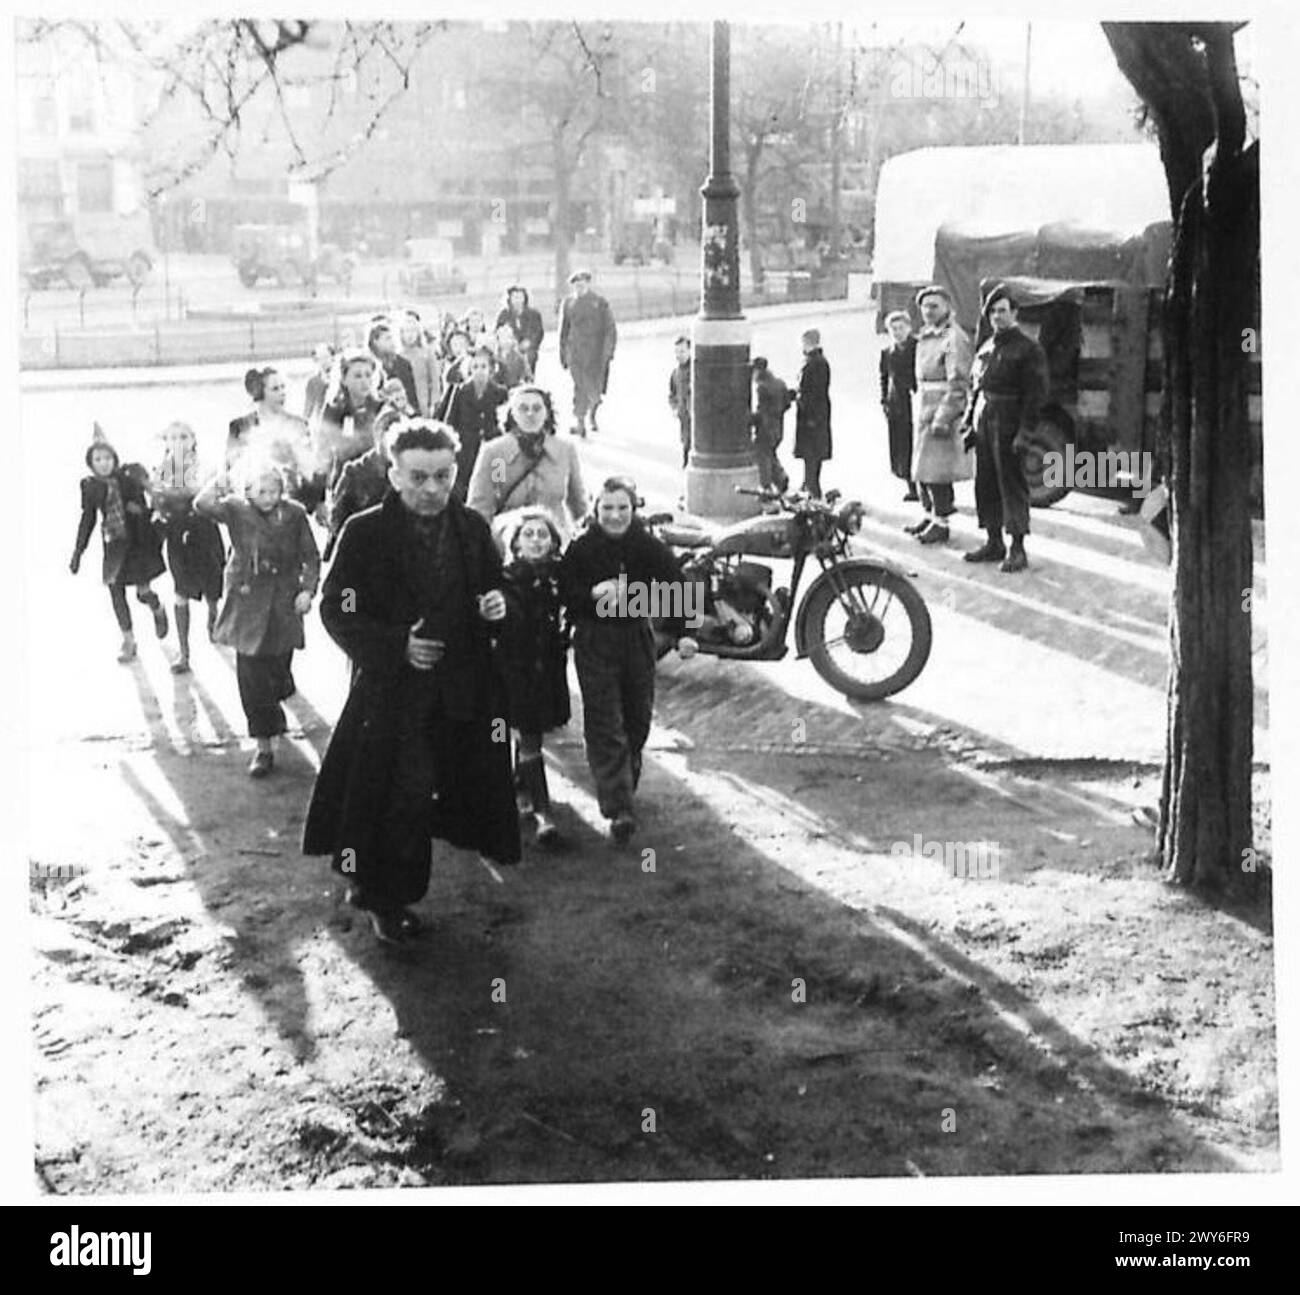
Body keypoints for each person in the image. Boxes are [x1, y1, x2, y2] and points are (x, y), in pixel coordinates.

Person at [302, 421, 520, 945]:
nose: (432, 489)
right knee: (403, 792)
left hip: (463, 691)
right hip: (393, 696)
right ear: (393, 473)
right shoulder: (365, 532)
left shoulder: (469, 527)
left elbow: (497, 584)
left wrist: (499, 603)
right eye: (418, 476)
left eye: (443, 475)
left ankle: (370, 877)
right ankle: (387, 898)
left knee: (455, 791)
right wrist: (396, 643)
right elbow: (338, 606)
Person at [558, 476, 698, 843]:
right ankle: (618, 806)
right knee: (605, 720)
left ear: (634, 509)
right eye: (608, 508)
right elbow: (566, 593)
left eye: (623, 508)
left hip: (636, 636)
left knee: (637, 715)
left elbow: (679, 584)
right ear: (595, 509)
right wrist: (592, 594)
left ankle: (626, 775)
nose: (615, 516)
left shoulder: (647, 546)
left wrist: (684, 631)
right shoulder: (582, 548)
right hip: (594, 639)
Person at [195, 456, 320, 777]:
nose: (268, 497)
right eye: (261, 491)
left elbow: (310, 556)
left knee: (277, 669)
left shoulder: (293, 514)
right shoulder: (236, 509)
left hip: (282, 601)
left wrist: (308, 590)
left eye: (274, 490)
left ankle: (279, 693)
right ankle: (264, 745)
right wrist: (218, 482)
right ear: (248, 491)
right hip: (247, 600)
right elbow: (203, 505)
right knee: (251, 677)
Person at [960, 284, 1049, 573]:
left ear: (1015, 313)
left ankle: (1018, 548)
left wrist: (1025, 434)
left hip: (1009, 421)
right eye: (992, 312)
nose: (997, 317)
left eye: (1002, 311)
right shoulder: (986, 346)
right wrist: (968, 422)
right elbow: (976, 387)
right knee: (984, 483)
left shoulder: (1029, 349)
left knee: (1011, 484)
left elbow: (1035, 397)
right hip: (984, 420)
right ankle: (993, 541)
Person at [497, 509, 570, 848]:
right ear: (515, 543)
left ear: (554, 541)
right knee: (529, 738)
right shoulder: (505, 579)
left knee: (530, 734)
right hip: (515, 669)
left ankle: (521, 789)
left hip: (548, 669)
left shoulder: (560, 578)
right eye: (528, 535)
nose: (536, 541)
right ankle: (544, 815)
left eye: (543, 535)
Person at [69, 424, 169, 664]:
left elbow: (155, 495)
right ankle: (128, 640)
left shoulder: (128, 476)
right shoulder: (91, 486)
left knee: (142, 592)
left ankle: (157, 608)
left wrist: (144, 510)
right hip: (114, 543)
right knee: (116, 591)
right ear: (91, 463)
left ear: (115, 458)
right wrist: (78, 552)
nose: (103, 463)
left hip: (138, 541)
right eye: (97, 459)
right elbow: (88, 518)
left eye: (107, 458)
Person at [151, 421, 226, 673]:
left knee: (213, 585)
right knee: (180, 591)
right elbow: (156, 499)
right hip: (177, 537)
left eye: (184, 437)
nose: (178, 442)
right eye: (172, 438)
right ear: (166, 442)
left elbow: (200, 491)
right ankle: (184, 654)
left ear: (193, 440)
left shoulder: (204, 465)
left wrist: (170, 493)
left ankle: (213, 616)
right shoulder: (162, 469)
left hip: (204, 533)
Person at [466, 384, 588, 538]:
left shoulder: (565, 450)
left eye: (537, 408)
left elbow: (579, 506)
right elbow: (483, 504)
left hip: (554, 541)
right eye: (523, 408)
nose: (530, 414)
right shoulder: (498, 454)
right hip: (508, 540)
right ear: (512, 414)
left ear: (547, 414)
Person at [909, 285, 973, 546]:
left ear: (947, 307)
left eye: (934, 306)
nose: (928, 311)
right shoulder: (927, 336)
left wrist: (943, 416)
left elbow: (958, 382)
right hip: (924, 406)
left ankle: (941, 522)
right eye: (924, 306)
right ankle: (929, 514)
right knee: (924, 471)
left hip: (940, 410)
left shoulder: (951, 338)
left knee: (938, 473)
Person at [311, 346, 383, 509]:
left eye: (368, 375)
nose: (364, 381)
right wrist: (319, 499)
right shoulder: (333, 410)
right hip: (344, 486)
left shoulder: (381, 407)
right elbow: (322, 452)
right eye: (357, 376)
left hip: (377, 487)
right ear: (343, 379)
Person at [227, 366, 315, 499]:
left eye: (283, 387)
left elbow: (310, 469)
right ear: (259, 393)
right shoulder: (240, 426)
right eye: (275, 389)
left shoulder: (299, 424)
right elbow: (229, 467)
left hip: (292, 498)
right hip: (251, 497)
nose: (282, 393)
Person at [441, 347, 509, 501]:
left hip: (494, 446)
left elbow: (506, 423)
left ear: (491, 369)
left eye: (483, 367)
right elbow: (449, 422)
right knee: (466, 488)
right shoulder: (460, 392)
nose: (479, 371)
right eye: (475, 367)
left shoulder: (500, 392)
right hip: (466, 449)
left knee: (498, 484)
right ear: (469, 370)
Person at [558, 268, 617, 437]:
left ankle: (592, 414)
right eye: (576, 284)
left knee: (595, 389)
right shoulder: (568, 303)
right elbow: (563, 330)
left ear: (588, 284)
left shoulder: (599, 303)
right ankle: (580, 422)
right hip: (576, 353)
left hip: (596, 354)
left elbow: (610, 329)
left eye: (582, 283)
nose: (579, 286)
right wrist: (563, 354)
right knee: (580, 387)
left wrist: (608, 351)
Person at [879, 310, 919, 503]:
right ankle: (910, 485)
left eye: (901, 328)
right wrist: (884, 401)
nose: (897, 332)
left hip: (914, 400)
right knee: (901, 445)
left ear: (909, 328)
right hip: (896, 403)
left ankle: (924, 487)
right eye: (893, 329)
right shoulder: (887, 352)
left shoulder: (917, 347)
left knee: (917, 444)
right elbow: (884, 378)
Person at [794, 328, 832, 497]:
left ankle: (813, 486)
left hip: (813, 415)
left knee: (812, 453)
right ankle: (808, 482)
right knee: (810, 452)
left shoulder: (816, 363)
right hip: (812, 413)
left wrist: (810, 414)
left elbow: (814, 391)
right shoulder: (813, 361)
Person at [749, 357, 793, 493]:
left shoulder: (762, 388)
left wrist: (749, 419)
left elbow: (762, 412)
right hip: (778, 427)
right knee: (770, 453)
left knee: (762, 456)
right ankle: (781, 478)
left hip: (765, 429)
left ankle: (767, 486)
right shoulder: (780, 383)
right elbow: (787, 404)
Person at [368, 320, 419, 413]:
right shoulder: (369, 367)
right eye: (387, 339)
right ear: (376, 341)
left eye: (391, 338)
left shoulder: (404, 364)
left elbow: (412, 396)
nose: (392, 342)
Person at [495, 284, 545, 378]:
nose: (518, 300)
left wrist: (529, 342)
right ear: (509, 299)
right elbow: (497, 332)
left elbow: (538, 332)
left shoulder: (534, 314)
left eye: (520, 297)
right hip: (509, 349)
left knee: (529, 358)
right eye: (515, 297)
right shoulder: (504, 315)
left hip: (528, 349)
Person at [399, 309, 441, 417]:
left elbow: (435, 381)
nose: (410, 335)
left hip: (424, 405)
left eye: (413, 331)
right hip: (404, 406)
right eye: (406, 331)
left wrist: (433, 404)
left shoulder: (427, 353)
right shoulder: (398, 356)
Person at [668, 334, 692, 469]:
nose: (679, 355)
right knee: (685, 440)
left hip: (696, 416)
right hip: (683, 415)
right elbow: (672, 394)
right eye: (676, 352)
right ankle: (685, 462)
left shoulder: (696, 371)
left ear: (690, 351)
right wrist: (674, 408)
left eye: (682, 351)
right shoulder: (675, 373)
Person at [303, 344, 336, 424]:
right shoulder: (313, 382)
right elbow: (308, 407)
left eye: (326, 357)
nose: (324, 361)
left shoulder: (342, 377)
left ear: (333, 358)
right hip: (323, 422)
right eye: (320, 359)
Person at [493, 324, 530, 389]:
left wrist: (523, 380)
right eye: (503, 337)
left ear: (513, 340)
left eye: (509, 337)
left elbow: (526, 375)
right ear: (498, 340)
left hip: (515, 388)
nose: (507, 341)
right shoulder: (494, 357)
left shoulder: (519, 357)